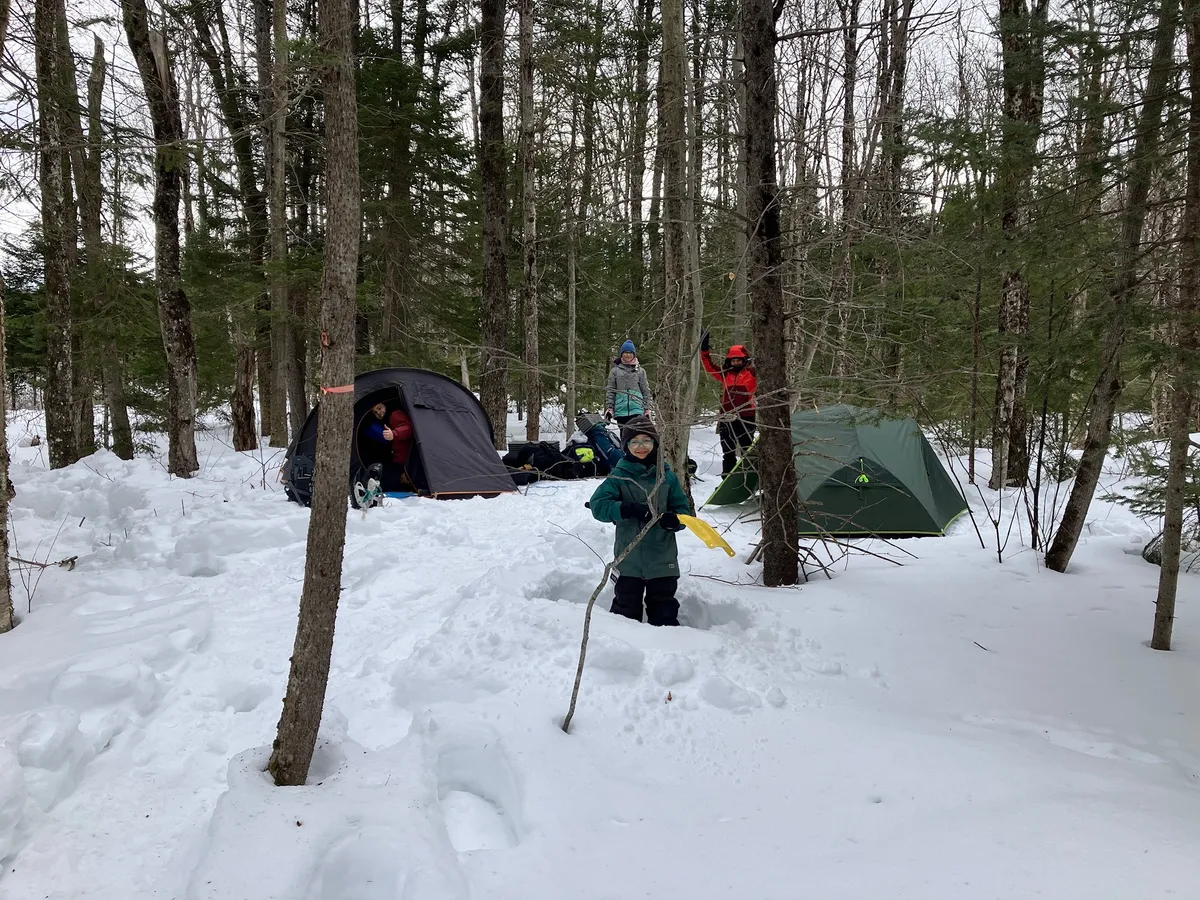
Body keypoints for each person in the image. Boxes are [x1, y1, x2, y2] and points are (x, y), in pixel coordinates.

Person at [588, 416, 690, 626]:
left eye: (646, 440)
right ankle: (624, 653)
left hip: (662, 559)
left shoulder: (667, 477)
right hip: (629, 560)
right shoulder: (619, 476)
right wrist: (625, 509)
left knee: (664, 610)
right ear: (626, 446)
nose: (640, 446)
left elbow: (683, 511)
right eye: (634, 442)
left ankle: (668, 653)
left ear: (655, 443)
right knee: (625, 611)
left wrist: (675, 520)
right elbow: (598, 505)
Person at [700, 330, 757, 477]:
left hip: (747, 416)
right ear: (729, 361)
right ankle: (727, 477)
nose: (736, 363)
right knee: (728, 451)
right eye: (733, 360)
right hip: (726, 417)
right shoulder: (725, 374)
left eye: (738, 360)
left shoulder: (752, 373)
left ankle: (751, 475)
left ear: (744, 360)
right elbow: (708, 366)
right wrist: (704, 349)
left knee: (747, 449)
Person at [605, 340, 652, 425]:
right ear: (621, 354)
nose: (628, 355)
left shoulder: (640, 371)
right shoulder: (614, 371)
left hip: (637, 410)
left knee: (635, 436)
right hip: (620, 411)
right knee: (624, 436)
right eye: (625, 352)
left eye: (630, 352)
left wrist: (647, 409)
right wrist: (609, 408)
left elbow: (645, 390)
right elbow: (610, 390)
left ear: (634, 354)